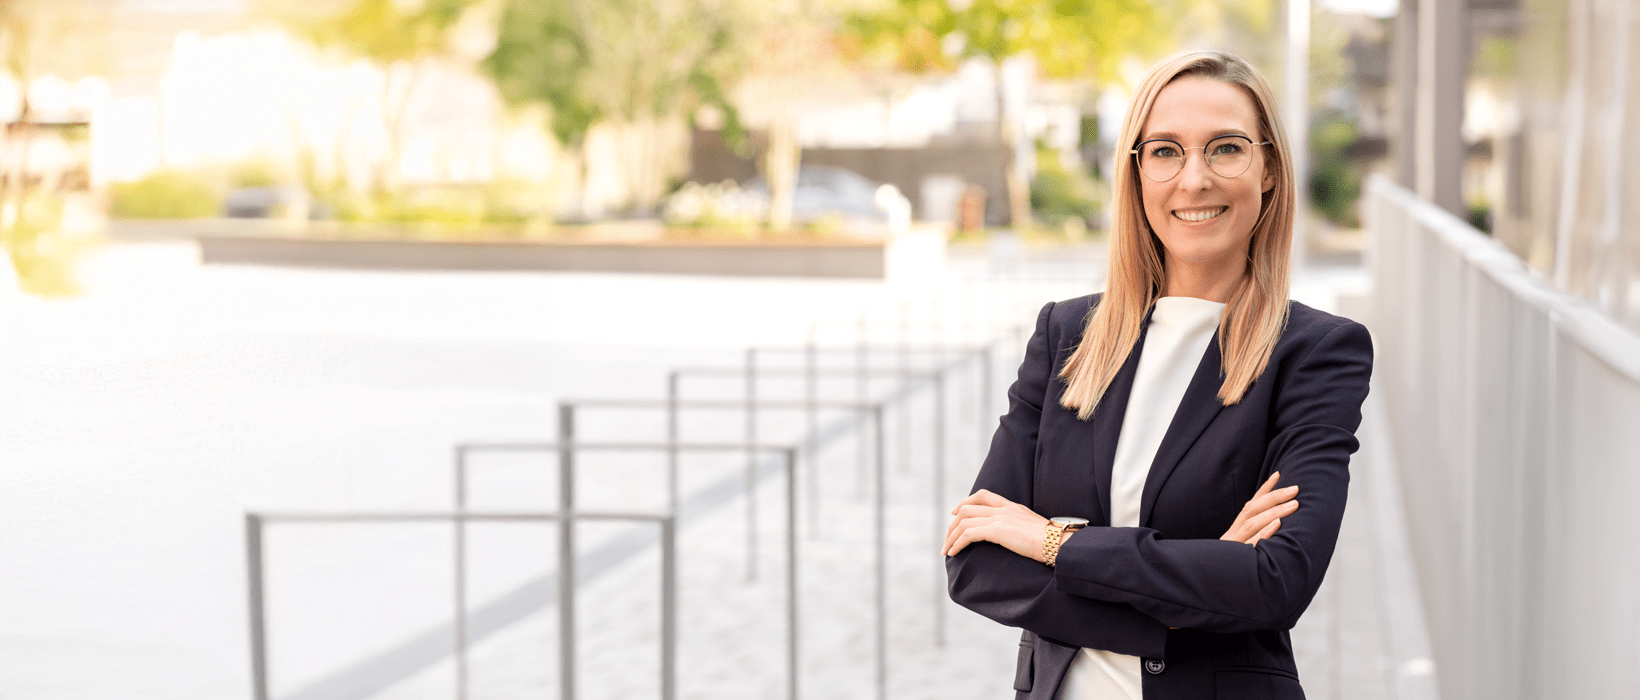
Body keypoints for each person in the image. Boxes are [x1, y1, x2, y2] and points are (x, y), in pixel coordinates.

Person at [941, 50, 1373, 700]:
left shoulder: (1315, 352)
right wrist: (1190, 590)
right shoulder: (1066, 336)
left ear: (1270, 172)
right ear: (1136, 172)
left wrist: (1052, 542)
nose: (1193, 179)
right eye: (1166, 151)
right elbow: (978, 563)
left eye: (1224, 148)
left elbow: (1274, 583)